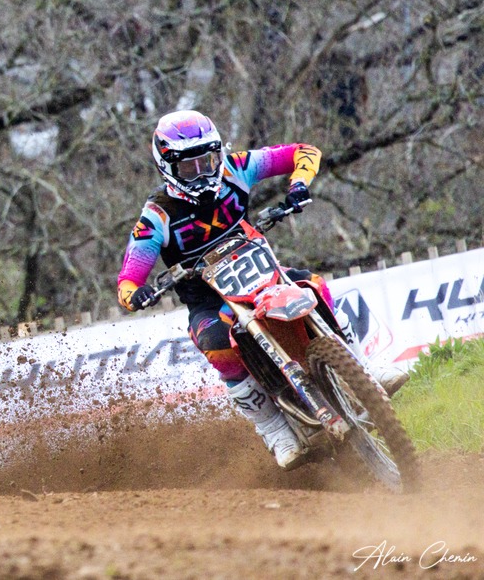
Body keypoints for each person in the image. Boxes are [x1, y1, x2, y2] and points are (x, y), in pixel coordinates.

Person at [115, 110, 406, 470]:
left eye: (208, 161)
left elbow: (305, 152)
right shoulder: (155, 218)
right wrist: (137, 294)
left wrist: (298, 184)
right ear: (168, 166)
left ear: (219, 153)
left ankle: (363, 369)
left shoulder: (236, 168)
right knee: (216, 343)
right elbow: (128, 280)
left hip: (264, 275)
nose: (203, 172)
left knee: (313, 286)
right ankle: (274, 428)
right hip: (210, 301)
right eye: (190, 167)